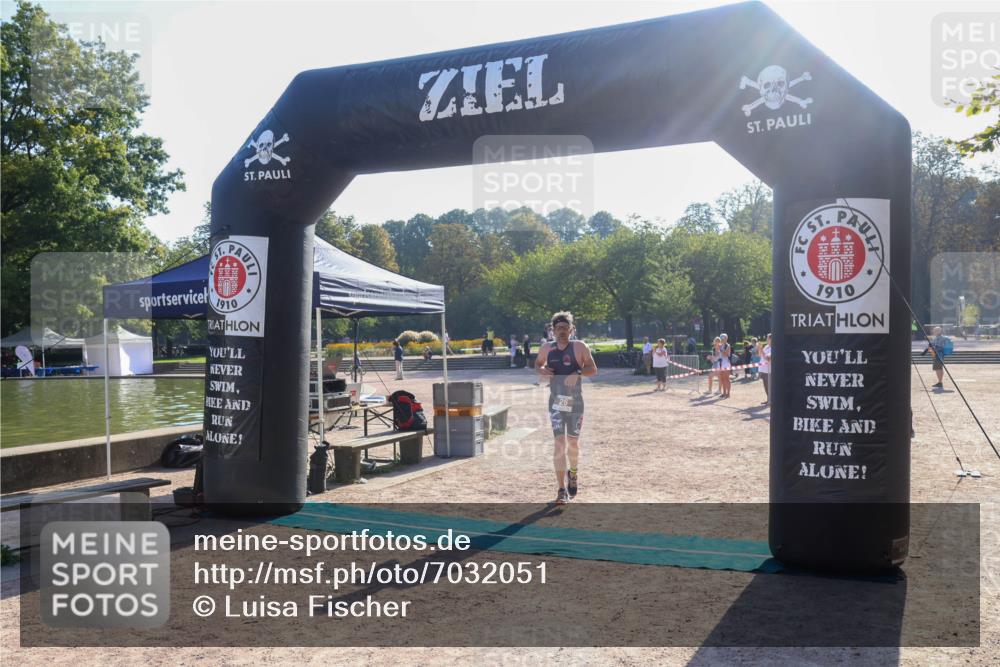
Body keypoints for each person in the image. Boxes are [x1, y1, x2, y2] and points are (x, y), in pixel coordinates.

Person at [535, 311, 598, 505]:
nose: (562, 331)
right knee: (559, 444)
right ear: (552, 331)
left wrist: (577, 372)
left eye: (565, 328)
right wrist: (541, 370)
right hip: (556, 402)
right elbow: (537, 364)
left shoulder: (579, 347)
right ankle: (561, 490)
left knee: (573, 444)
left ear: (571, 329)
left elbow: (593, 369)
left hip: (575, 402)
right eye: (558, 328)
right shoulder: (547, 348)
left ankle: (574, 473)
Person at [758, 334, 772, 405]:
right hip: (763, 369)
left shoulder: (774, 347)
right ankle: (768, 399)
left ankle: (771, 400)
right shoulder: (766, 346)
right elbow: (760, 355)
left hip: (769, 370)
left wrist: (761, 349)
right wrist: (759, 348)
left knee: (769, 386)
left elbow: (767, 358)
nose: (766, 339)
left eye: (767, 338)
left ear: (771, 339)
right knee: (766, 386)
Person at [718, 333, 733, 398]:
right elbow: (719, 355)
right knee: (722, 379)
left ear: (726, 339)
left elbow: (726, 354)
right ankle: (724, 393)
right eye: (721, 338)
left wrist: (720, 349)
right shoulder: (720, 345)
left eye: (723, 338)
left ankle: (728, 393)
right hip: (720, 363)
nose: (722, 339)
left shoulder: (728, 345)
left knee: (726, 378)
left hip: (726, 363)